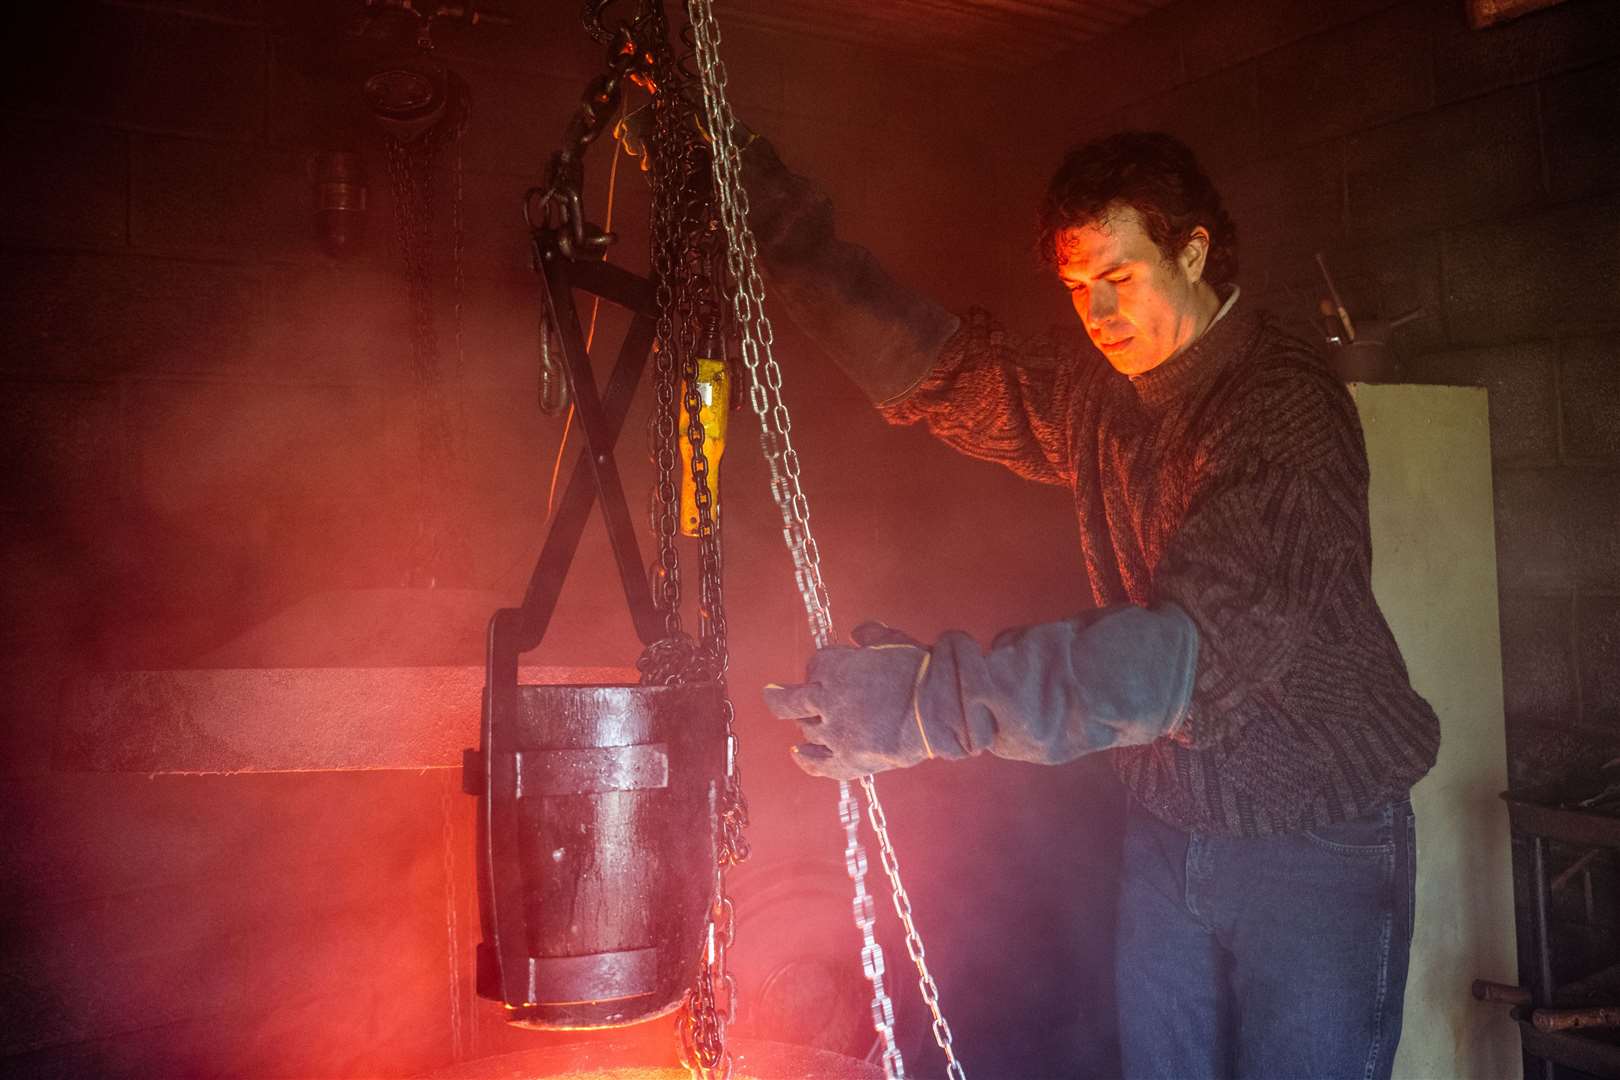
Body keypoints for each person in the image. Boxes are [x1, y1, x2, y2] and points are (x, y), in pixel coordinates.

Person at [747, 130, 1440, 1080]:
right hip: (1170, 823)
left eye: (1121, 274)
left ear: (1193, 252)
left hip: (1314, 841)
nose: (1099, 312)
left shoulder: (1284, 411)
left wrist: (928, 703)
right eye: (1078, 288)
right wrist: (781, 237)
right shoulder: (1108, 391)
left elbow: (1180, 659)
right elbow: (950, 373)